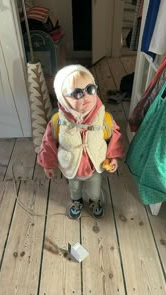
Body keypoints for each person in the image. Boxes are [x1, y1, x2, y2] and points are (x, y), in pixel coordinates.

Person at [37, 65, 125, 219]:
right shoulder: (58, 121)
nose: (85, 96)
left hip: (95, 164)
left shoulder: (103, 118)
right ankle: (77, 202)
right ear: (62, 98)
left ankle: (94, 201)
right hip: (72, 166)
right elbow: (48, 143)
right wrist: (48, 164)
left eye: (90, 89)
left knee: (95, 189)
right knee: (74, 188)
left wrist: (113, 157)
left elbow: (115, 135)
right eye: (77, 93)